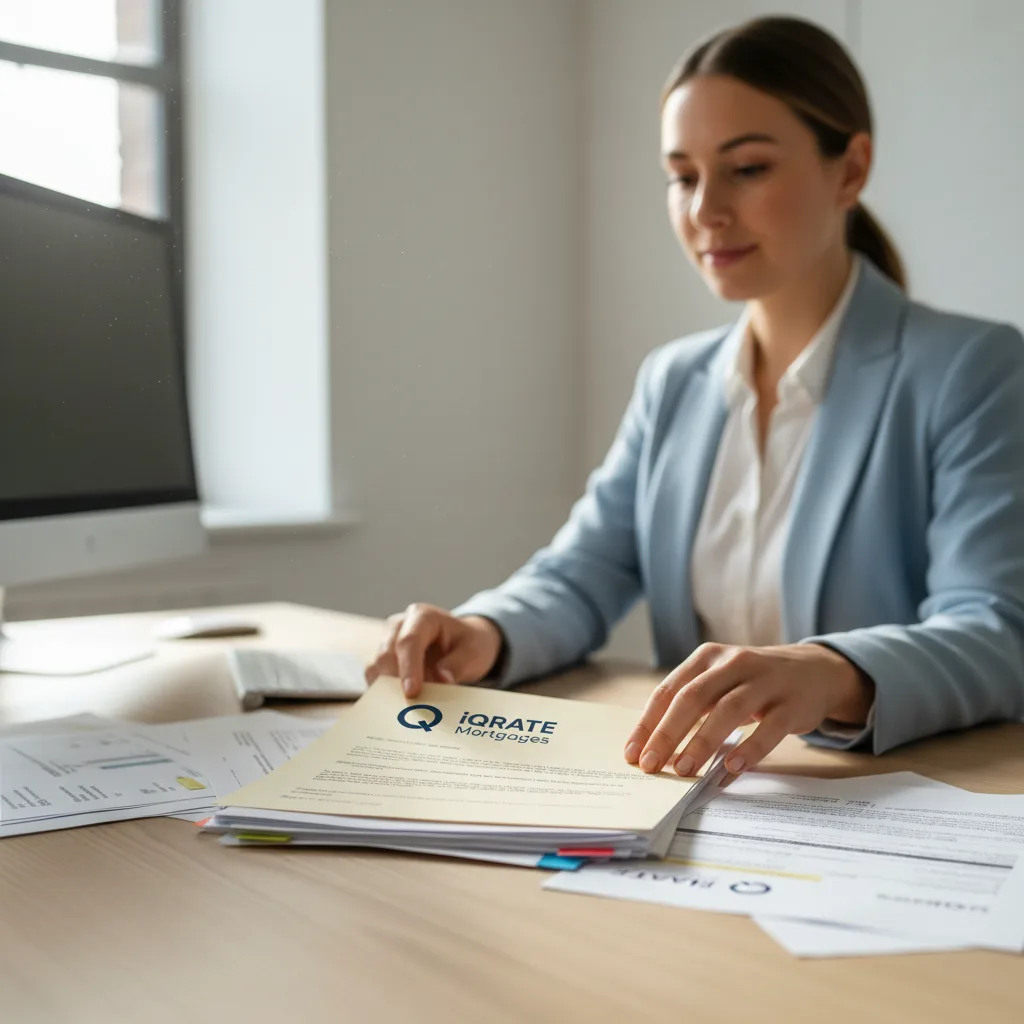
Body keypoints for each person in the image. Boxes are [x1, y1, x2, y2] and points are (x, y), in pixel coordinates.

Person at [364, 16, 1024, 779]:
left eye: (746, 168)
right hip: (698, 799)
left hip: (891, 802)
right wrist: (486, 629)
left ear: (850, 170)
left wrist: (828, 671)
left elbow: (1000, 631)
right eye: (682, 175)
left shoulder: (971, 368)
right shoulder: (674, 380)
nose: (706, 209)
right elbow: (582, 576)